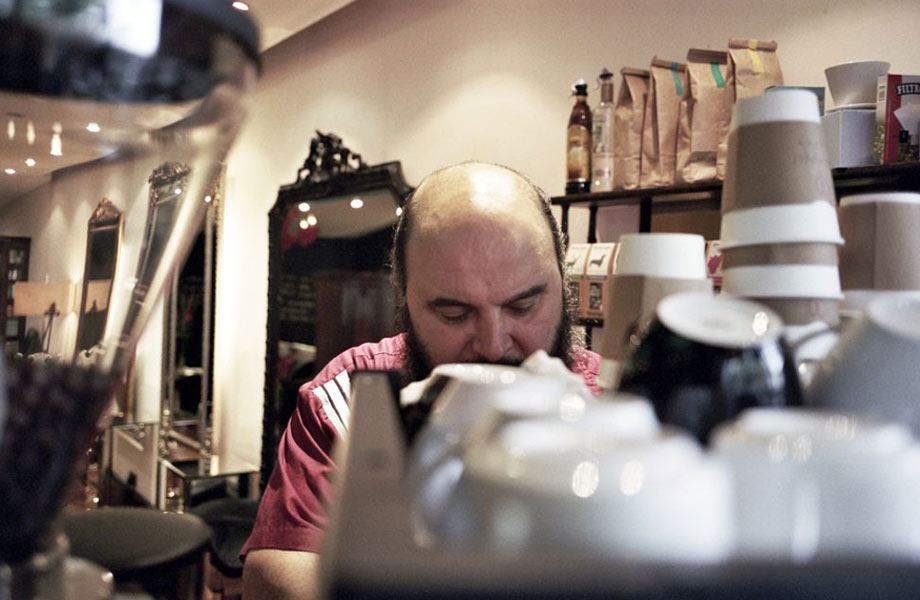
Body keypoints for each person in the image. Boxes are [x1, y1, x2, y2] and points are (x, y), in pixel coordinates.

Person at [241, 161, 601, 600]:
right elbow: (274, 572)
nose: (493, 345)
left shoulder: (620, 404)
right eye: (454, 313)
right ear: (404, 297)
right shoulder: (349, 398)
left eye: (524, 305)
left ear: (563, 282)